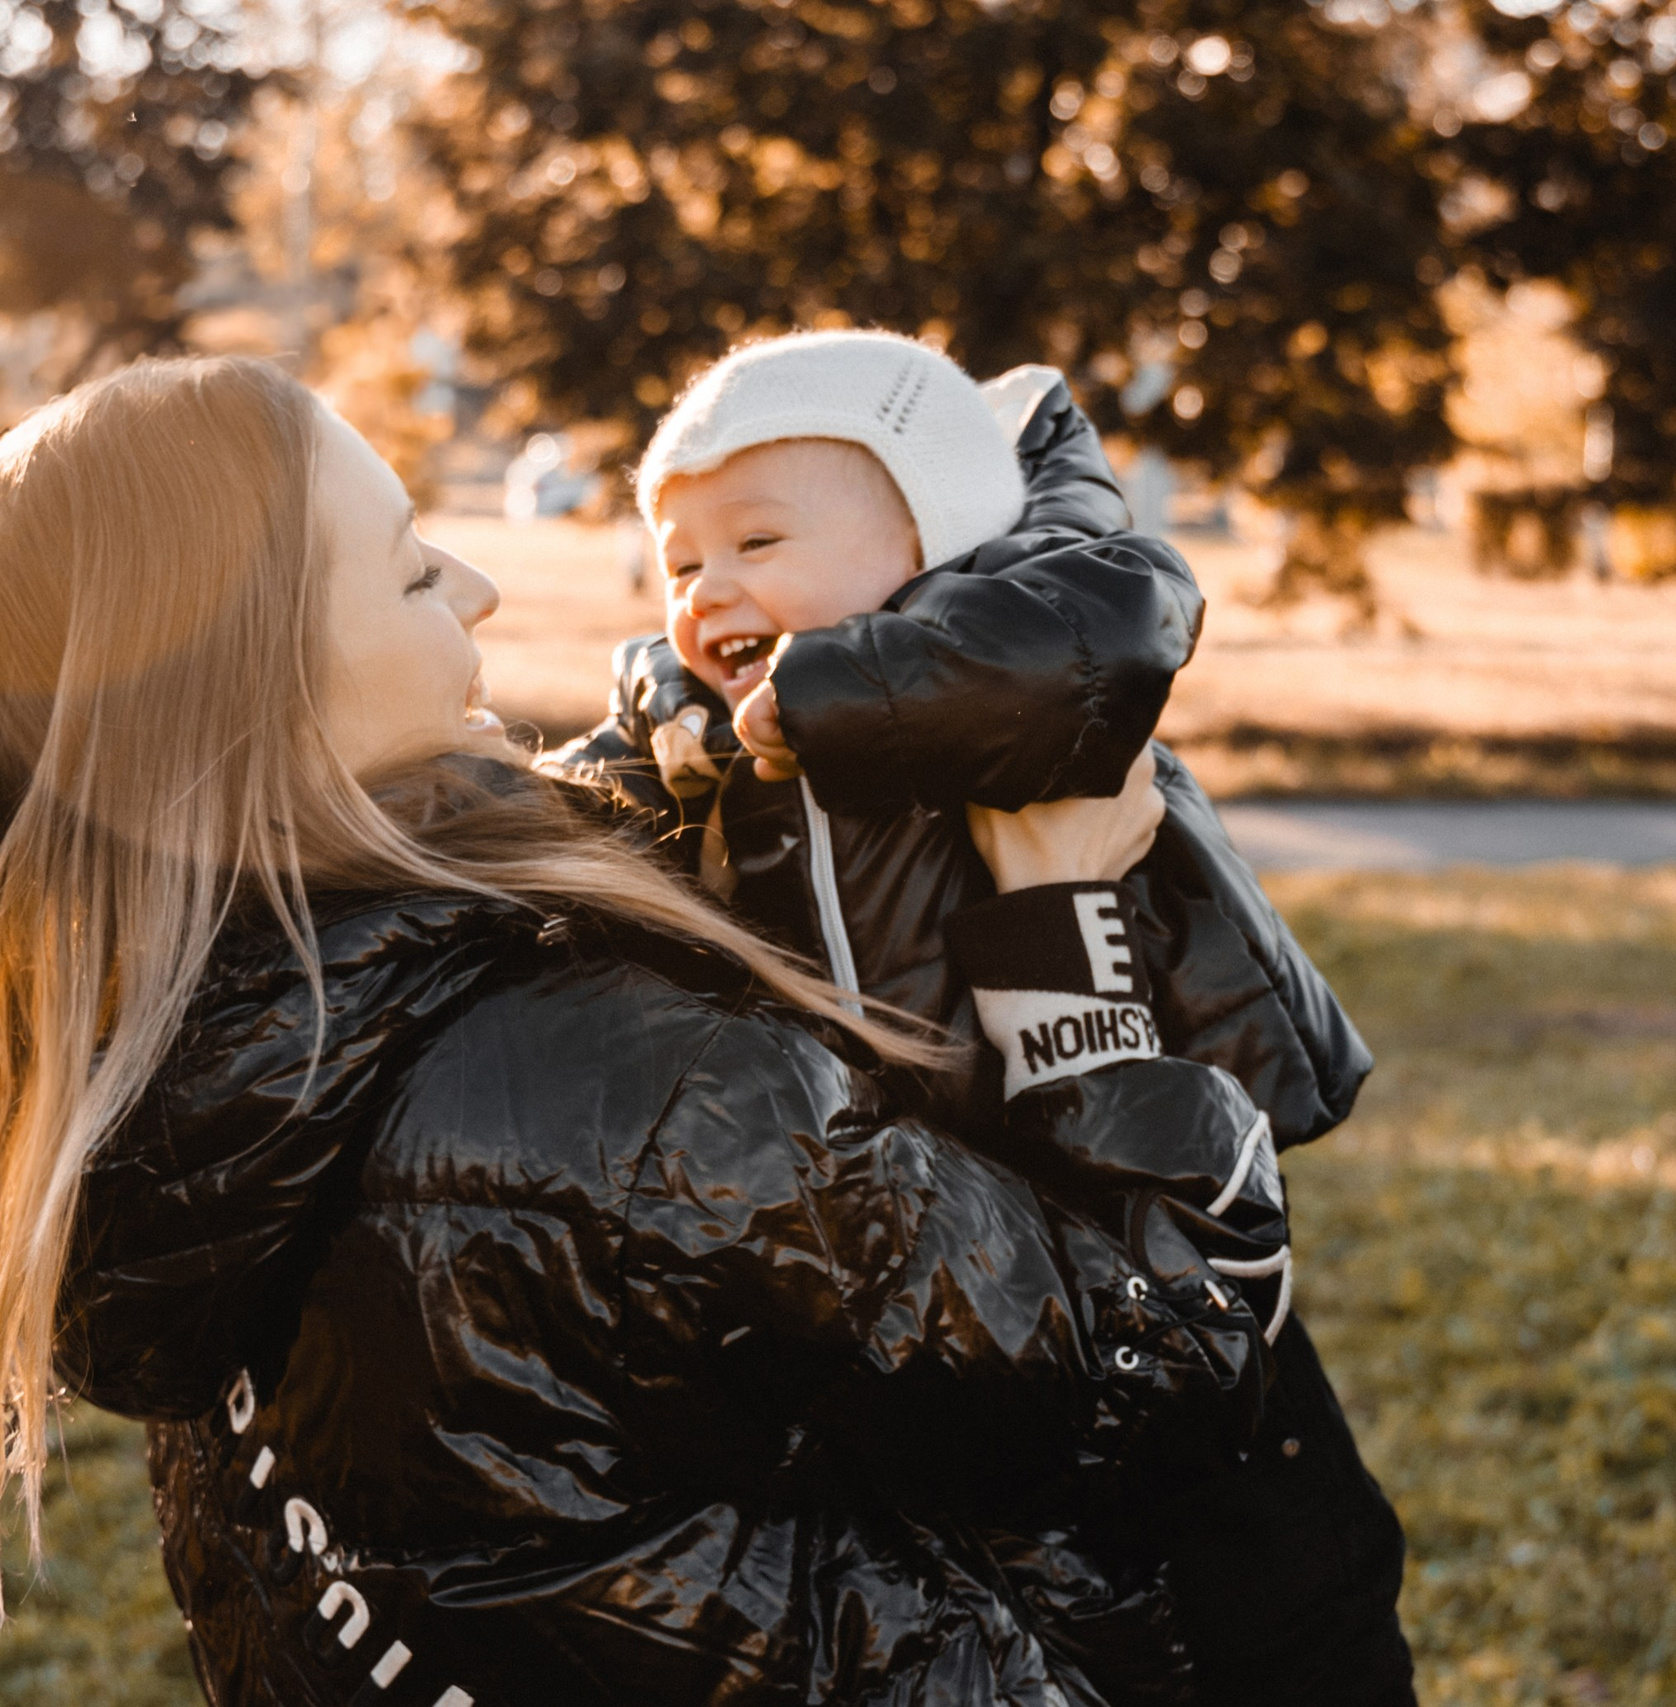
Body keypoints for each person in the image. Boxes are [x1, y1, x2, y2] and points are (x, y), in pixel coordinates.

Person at [0, 354, 1282, 1707]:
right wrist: (1062, 926)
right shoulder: (630, 1098)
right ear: (271, 687)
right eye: (413, 572)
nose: (479, 590)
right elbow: (1145, 1372)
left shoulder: (152, 1074)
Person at [557, 329, 1415, 1706]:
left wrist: (840, 714)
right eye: (680, 561)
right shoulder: (711, 754)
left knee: (1256, 1601)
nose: (707, 592)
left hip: (1136, 1239)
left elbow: (1079, 626)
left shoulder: (1029, 702)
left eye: (758, 539)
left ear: (935, 542)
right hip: (933, 1311)